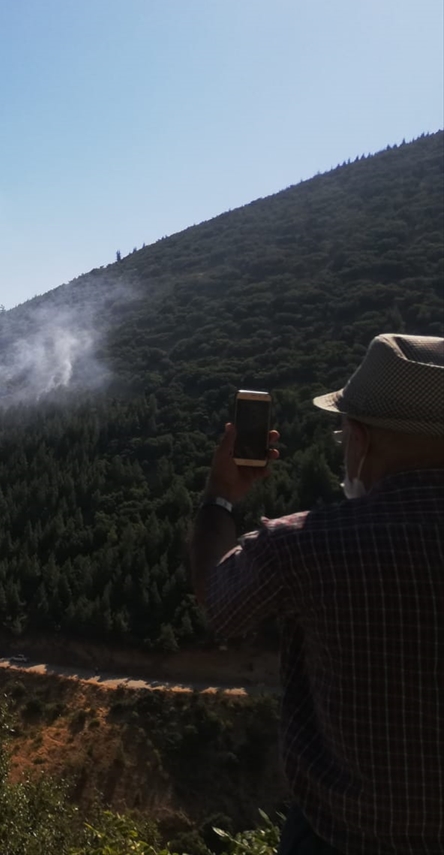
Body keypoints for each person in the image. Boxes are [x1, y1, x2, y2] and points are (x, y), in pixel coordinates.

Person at [189, 333, 444, 855]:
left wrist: (220, 495)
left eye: (342, 432)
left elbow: (219, 601)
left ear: (360, 438)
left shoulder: (304, 545)